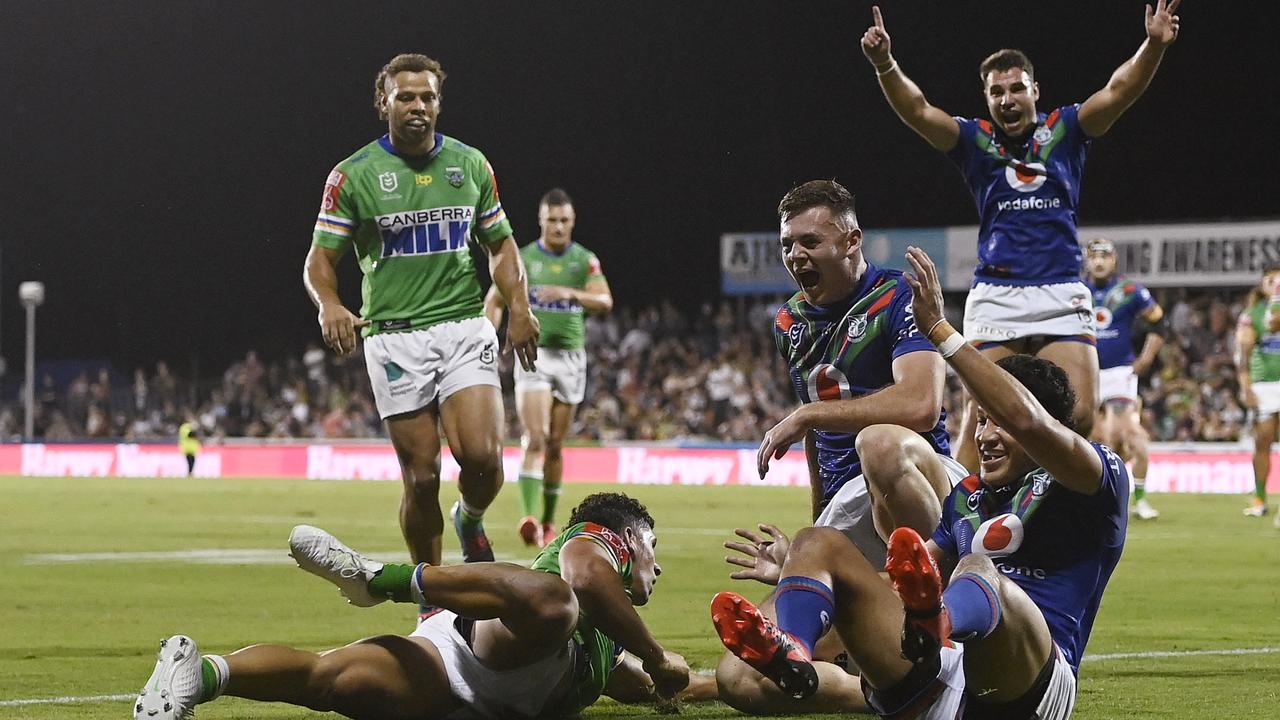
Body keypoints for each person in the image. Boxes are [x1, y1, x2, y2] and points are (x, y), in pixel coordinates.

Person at [713, 246, 1128, 718]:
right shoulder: (968, 499)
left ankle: (937, 625)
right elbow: (903, 580)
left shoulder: (1097, 481)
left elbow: (1030, 423)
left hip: (1033, 689)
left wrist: (941, 332)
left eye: (1000, 424)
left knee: (978, 568)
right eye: (982, 422)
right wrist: (810, 582)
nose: (986, 437)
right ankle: (793, 650)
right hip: (946, 680)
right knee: (816, 544)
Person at [860, 1, 1183, 471]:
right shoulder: (975, 141)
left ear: (1035, 90)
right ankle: (963, 529)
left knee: (1079, 416)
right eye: (997, 92)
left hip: (1060, 289)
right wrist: (885, 64)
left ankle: (1042, 508)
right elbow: (917, 110)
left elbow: (1119, 90)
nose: (1007, 99)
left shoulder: (1067, 130)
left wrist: (1153, 45)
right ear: (987, 98)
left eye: (1016, 88)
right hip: (997, 293)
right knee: (982, 417)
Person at [715, 181, 967, 714]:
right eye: (787, 245)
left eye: (809, 242)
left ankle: (938, 608)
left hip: (918, 484)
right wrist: (808, 549)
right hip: (851, 512)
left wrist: (807, 413)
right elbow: (816, 443)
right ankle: (870, 684)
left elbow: (922, 403)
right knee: (736, 678)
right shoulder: (790, 323)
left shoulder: (899, 297)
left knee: (876, 445)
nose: (794, 256)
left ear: (852, 240)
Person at [303, 53, 540, 620]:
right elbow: (319, 259)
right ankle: (431, 601)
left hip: (462, 326)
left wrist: (521, 309)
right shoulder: (353, 174)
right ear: (383, 102)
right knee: (423, 475)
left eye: (427, 97)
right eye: (405, 97)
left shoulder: (471, 165)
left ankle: (472, 519)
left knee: (482, 460)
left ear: (439, 102)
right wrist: (330, 303)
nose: (418, 107)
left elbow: (501, 245)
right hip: (394, 337)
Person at [133, 493, 706, 720]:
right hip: (478, 637)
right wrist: (659, 657)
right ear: (630, 539)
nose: (660, 566)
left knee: (333, 681)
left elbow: (641, 681)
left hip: (464, 694)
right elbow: (583, 581)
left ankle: (199, 673)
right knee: (557, 606)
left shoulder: (612, 645)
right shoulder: (593, 540)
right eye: (655, 547)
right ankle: (382, 578)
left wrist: (678, 682)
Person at [485, 188, 613, 548]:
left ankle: (548, 520)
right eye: (552, 220)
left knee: (556, 444)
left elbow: (604, 300)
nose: (558, 227)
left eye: (564, 221)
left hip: (571, 357)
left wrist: (571, 294)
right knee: (536, 437)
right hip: (533, 355)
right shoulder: (523, 258)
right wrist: (488, 337)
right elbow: (494, 301)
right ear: (541, 221)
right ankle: (527, 516)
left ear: (572, 222)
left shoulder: (583, 261)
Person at [1085, 238, 1164, 520]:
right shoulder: (1077, 291)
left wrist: (1147, 356)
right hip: (1087, 372)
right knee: (1095, 439)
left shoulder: (1130, 291)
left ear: (1114, 260)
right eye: (1094, 256)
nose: (1099, 261)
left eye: (1104, 256)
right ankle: (1097, 499)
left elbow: (1158, 321)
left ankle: (1139, 500)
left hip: (1120, 373)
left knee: (1124, 434)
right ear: (1087, 260)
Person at [1235, 264, 1280, 519]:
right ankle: (1260, 498)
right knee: (1263, 441)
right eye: (1270, 280)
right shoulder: (1252, 313)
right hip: (1265, 384)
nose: (1275, 283)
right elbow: (1244, 354)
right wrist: (1245, 386)